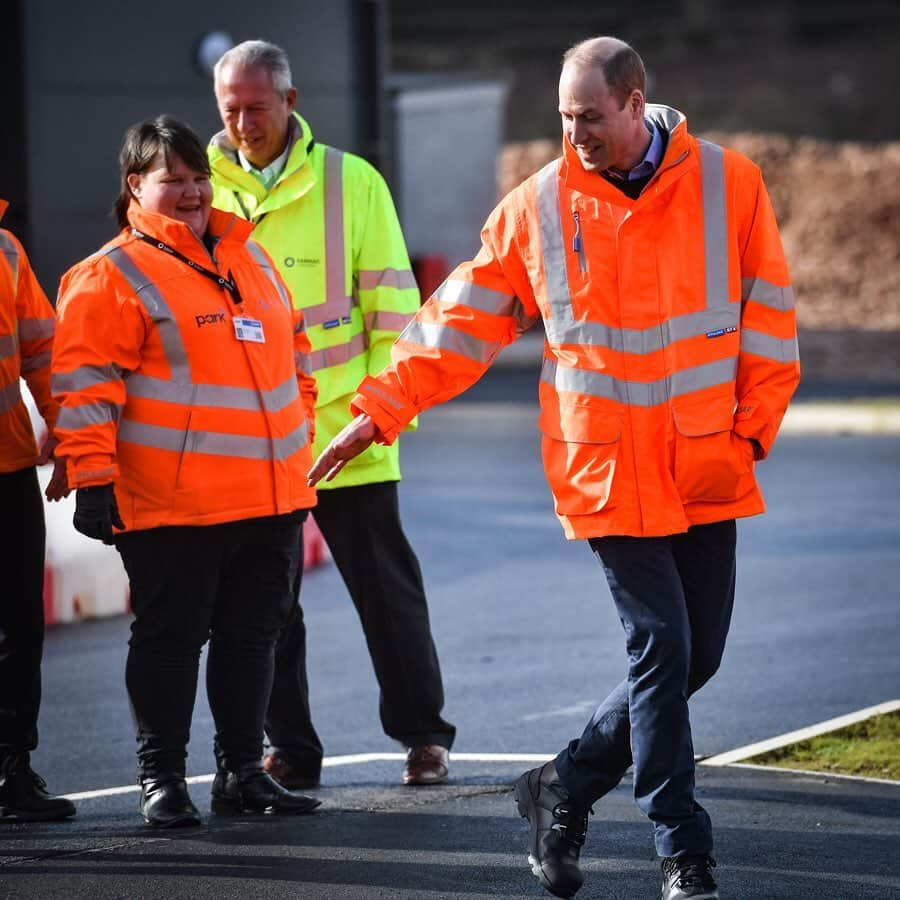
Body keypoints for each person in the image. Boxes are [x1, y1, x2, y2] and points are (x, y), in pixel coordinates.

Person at [308, 36, 800, 900]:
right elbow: (458, 323)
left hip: (703, 462)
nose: (574, 134)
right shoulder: (540, 205)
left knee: (697, 657)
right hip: (605, 472)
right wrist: (376, 410)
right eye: (564, 118)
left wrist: (753, 430)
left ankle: (560, 784)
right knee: (663, 646)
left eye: (589, 117)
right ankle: (682, 847)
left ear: (636, 99)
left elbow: (769, 312)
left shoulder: (731, 184)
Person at [51, 116, 322, 827]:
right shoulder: (109, 274)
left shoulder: (251, 259)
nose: (194, 192)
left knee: (252, 639)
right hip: (172, 506)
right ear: (136, 186)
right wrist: (92, 477)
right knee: (170, 642)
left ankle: (241, 773)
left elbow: (296, 365)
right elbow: (85, 387)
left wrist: (297, 452)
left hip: (267, 500)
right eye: (174, 180)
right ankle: (161, 779)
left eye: (200, 178)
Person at [208, 39, 456, 788]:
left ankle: (424, 736)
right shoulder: (201, 190)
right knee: (268, 609)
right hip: (256, 444)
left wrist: (384, 416)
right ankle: (292, 749)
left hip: (352, 433)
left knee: (386, 595)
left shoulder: (353, 184)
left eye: (257, 107)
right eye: (230, 110)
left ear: (290, 101)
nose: (244, 123)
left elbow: (397, 319)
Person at [0, 201, 74, 821]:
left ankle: (10, 773)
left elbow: (44, 355)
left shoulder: (5, 251)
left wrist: (67, 436)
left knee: (18, 629)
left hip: (6, 468)